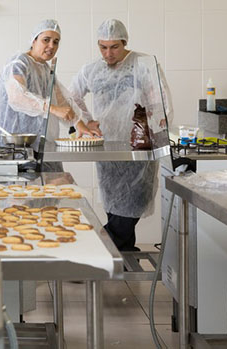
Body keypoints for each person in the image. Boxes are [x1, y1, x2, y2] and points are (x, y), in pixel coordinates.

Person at [70, 19, 173, 251]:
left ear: (124, 42)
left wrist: (156, 129)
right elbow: (71, 96)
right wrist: (86, 120)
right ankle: (123, 253)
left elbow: (160, 101)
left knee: (133, 202)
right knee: (114, 203)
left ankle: (93, 253)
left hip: (139, 145)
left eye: (114, 47)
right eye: (103, 47)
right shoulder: (92, 70)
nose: (108, 53)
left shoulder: (144, 64)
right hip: (107, 146)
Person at [0, 19, 100, 171]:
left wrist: (79, 124)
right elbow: (17, 97)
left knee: (51, 190)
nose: (51, 46)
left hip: (38, 146)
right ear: (34, 40)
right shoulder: (18, 63)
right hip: (12, 147)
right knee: (19, 193)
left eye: (56, 42)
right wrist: (52, 108)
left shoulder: (45, 69)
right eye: (46, 40)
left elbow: (61, 100)